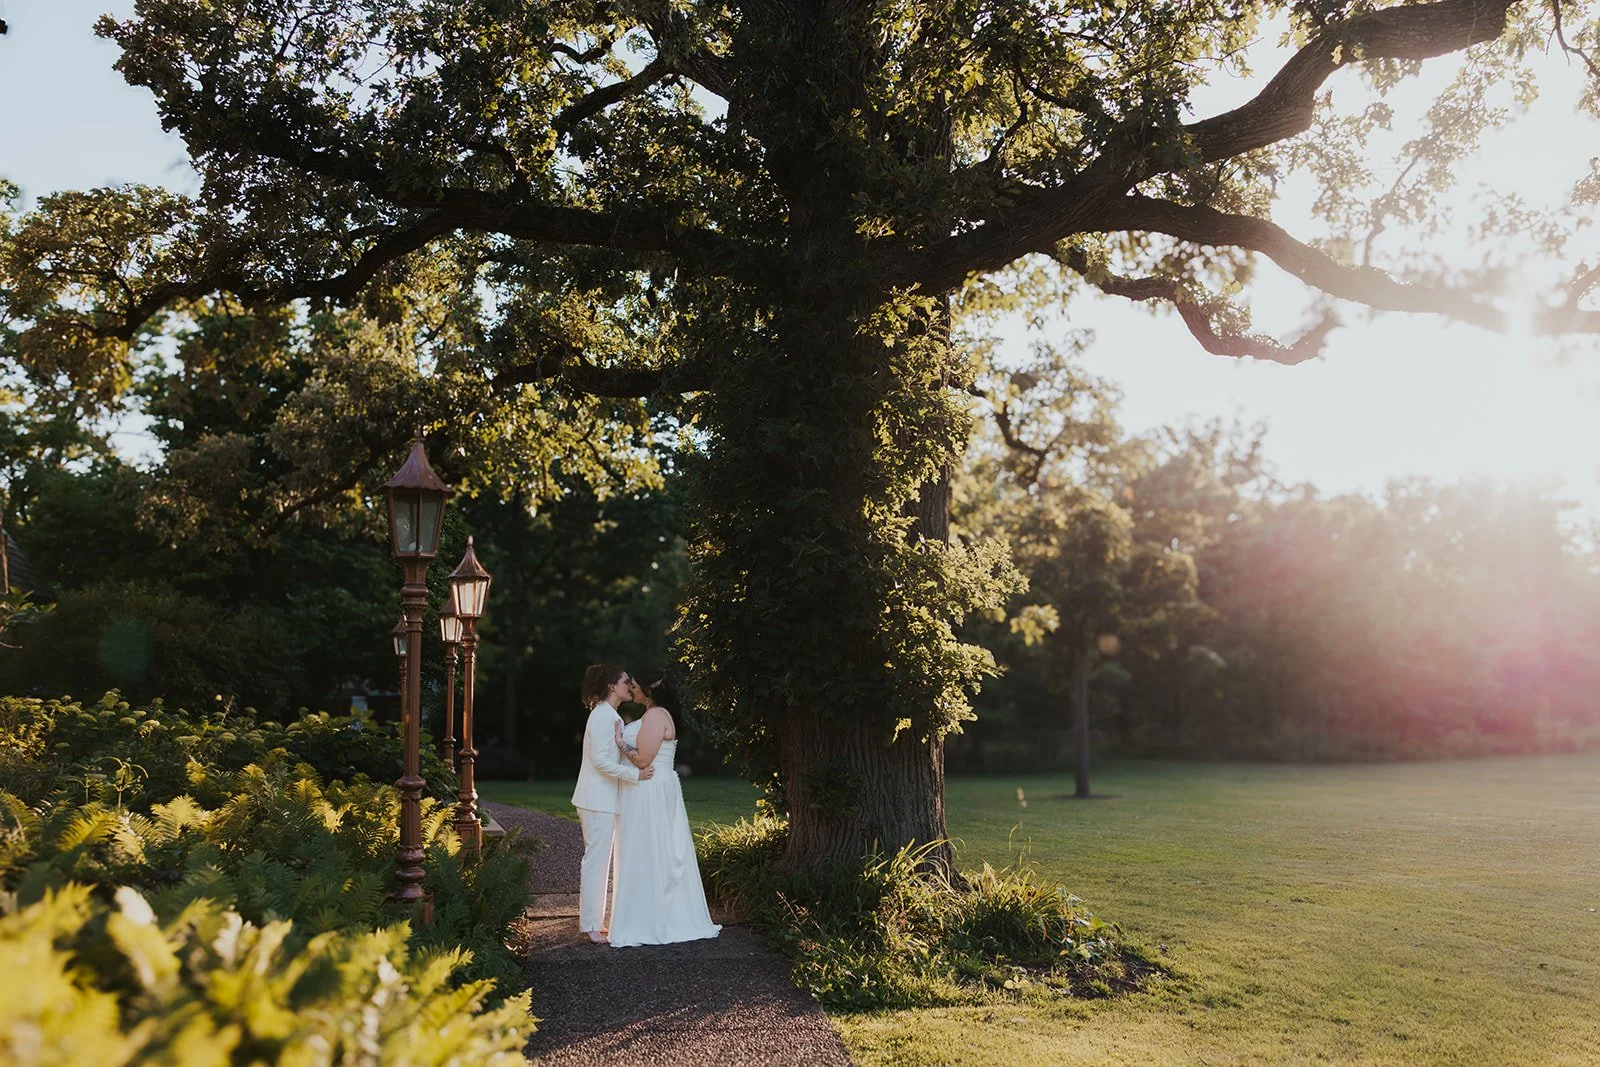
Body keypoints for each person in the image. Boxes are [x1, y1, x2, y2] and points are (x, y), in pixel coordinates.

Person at [606, 666, 721, 948]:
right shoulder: (652, 714)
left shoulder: (657, 715)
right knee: (645, 850)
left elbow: (644, 759)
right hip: (646, 789)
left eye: (634, 685)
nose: (631, 688)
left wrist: (621, 743)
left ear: (649, 689)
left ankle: (649, 919)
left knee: (648, 850)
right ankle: (643, 913)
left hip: (649, 791)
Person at [572, 664, 655, 944]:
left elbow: (610, 756)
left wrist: (623, 746)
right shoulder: (602, 717)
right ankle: (591, 924)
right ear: (611, 686)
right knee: (596, 861)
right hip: (596, 799)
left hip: (605, 798)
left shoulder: (611, 716)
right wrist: (635, 774)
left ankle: (595, 921)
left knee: (600, 860)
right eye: (623, 682)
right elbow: (600, 761)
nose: (628, 686)